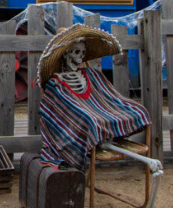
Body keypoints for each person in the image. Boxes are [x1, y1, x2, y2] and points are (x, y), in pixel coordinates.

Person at [36, 24, 150, 170]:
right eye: (76, 52)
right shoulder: (56, 83)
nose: (80, 57)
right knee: (91, 121)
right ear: (65, 54)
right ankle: (91, 143)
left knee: (140, 111)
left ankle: (105, 136)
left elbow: (110, 95)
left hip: (100, 113)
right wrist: (91, 114)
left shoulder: (92, 74)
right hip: (84, 117)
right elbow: (65, 107)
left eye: (83, 53)